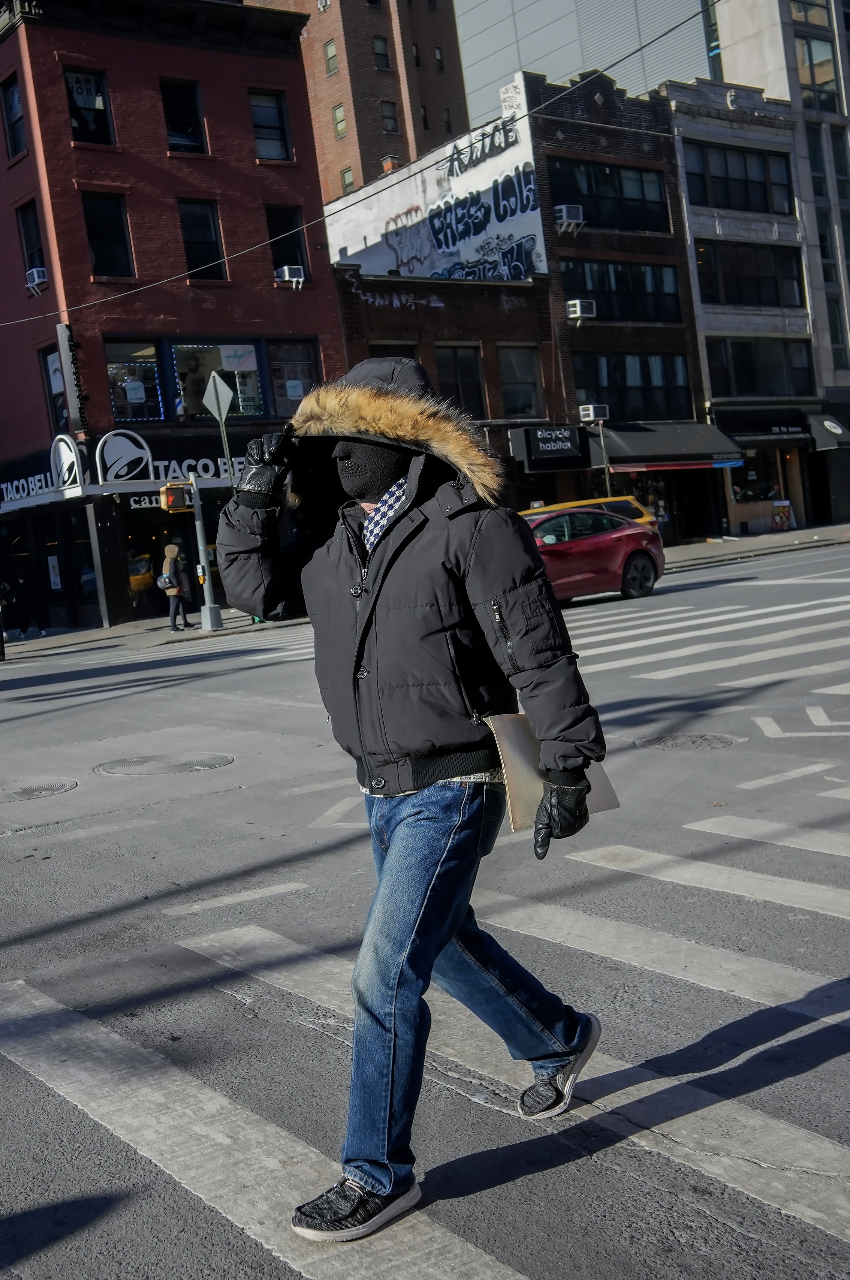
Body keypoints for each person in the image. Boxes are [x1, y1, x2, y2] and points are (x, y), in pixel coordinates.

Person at [217, 357, 605, 1245]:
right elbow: (245, 588)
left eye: (349, 441)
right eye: (323, 445)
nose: (334, 459)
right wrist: (254, 488)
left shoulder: (470, 526)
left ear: (400, 442)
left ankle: (376, 1173)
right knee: (446, 941)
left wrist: (569, 767)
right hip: (380, 783)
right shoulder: (326, 539)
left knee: (384, 972)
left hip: (458, 778)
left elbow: (537, 654)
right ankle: (556, 1035)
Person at [160, 543, 190, 631]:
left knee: (181, 604)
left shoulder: (166, 560)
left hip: (169, 586)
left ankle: (185, 623)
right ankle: (173, 626)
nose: (178, 552)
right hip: (174, 587)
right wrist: (177, 585)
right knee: (174, 606)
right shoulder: (172, 560)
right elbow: (172, 573)